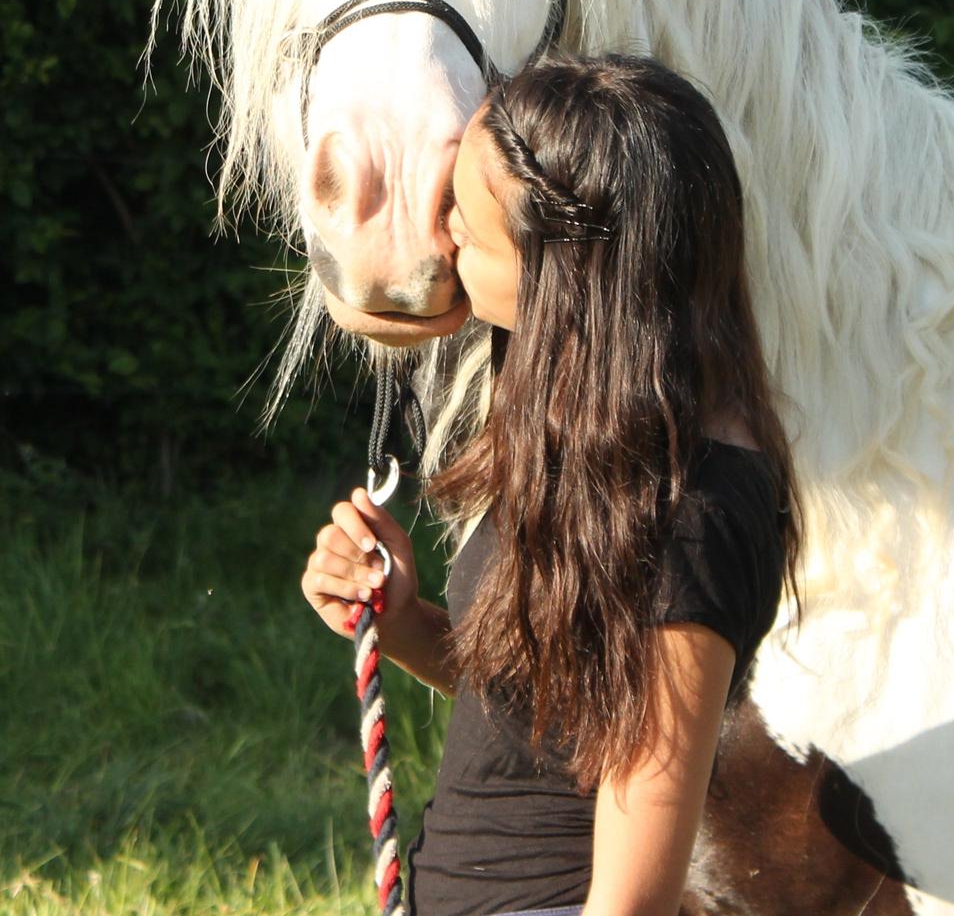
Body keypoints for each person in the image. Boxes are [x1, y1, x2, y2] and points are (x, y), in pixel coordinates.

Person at [302, 53, 803, 916]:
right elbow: (556, 710)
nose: (440, 227)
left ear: (562, 276)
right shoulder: (599, 437)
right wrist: (404, 625)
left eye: (467, 217)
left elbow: (633, 898)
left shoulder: (693, 516)